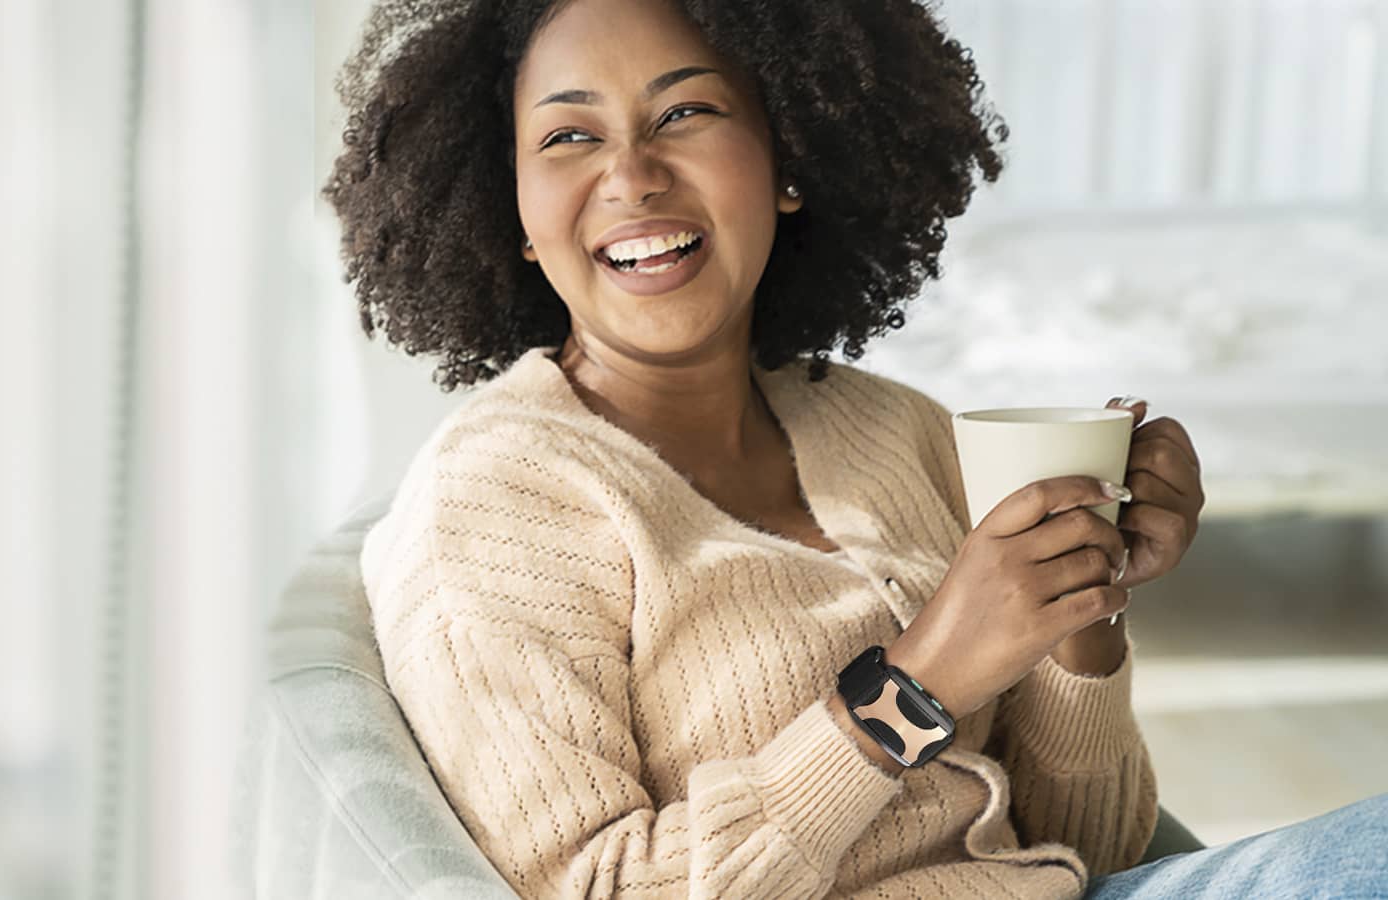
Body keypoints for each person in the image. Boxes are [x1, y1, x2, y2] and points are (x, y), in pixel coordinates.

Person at [323, 0, 1388, 896]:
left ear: (790, 161)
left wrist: (1080, 608)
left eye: (686, 112)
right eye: (568, 136)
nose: (633, 176)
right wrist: (912, 687)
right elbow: (598, 885)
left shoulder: (889, 426)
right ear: (511, 209)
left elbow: (1093, 848)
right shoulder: (495, 502)